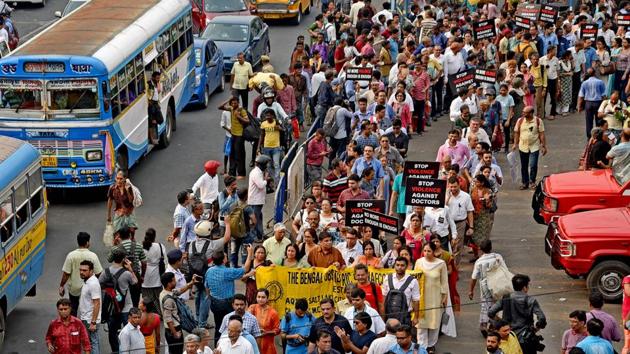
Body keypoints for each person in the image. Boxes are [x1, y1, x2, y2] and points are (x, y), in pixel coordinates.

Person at [189, 219, 232, 328]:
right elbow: (227, 238)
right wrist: (227, 224)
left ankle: (198, 320)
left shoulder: (191, 244)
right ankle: (202, 324)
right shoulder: (212, 245)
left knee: (198, 296)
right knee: (206, 298)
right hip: (206, 274)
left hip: (195, 274)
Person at [489, 274, 547, 354]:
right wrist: (535, 328)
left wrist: (500, 323)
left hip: (507, 339)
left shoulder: (506, 298)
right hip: (525, 340)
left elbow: (490, 312)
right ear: (524, 287)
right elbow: (542, 319)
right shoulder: (531, 300)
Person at [100, 247, 138, 353]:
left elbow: (100, 286)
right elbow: (135, 282)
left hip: (112, 308)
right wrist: (130, 269)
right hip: (126, 308)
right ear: (123, 259)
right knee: (128, 332)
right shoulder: (126, 274)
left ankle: (115, 351)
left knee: (112, 333)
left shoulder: (105, 272)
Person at [415, 242, 450, 352]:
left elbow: (444, 282)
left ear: (434, 252)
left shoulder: (441, 264)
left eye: (429, 251)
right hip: (421, 297)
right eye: (424, 251)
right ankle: (422, 346)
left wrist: (444, 297)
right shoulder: (419, 262)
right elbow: (414, 279)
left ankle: (431, 345)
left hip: (435, 298)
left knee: (434, 322)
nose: (426, 253)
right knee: (421, 323)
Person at [469, 240, 508, 336]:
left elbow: (474, 278)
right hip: (497, 285)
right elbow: (505, 270)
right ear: (491, 248)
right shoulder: (498, 257)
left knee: (485, 305)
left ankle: (484, 324)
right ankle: (492, 326)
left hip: (485, 287)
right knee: (497, 305)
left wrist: (471, 291)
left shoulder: (479, 262)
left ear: (480, 249)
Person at [59, 232, 103, 316]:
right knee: (88, 309)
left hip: (74, 289)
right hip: (89, 288)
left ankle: (73, 326)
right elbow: (98, 273)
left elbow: (66, 273)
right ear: (87, 243)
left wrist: (61, 285)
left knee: (73, 309)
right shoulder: (93, 256)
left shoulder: (71, 255)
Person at [160, 271, 198, 354]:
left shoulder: (165, 293)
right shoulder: (168, 299)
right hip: (173, 329)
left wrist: (191, 282)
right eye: (173, 280)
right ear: (169, 283)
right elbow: (168, 318)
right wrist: (175, 333)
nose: (175, 281)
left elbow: (180, 291)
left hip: (171, 329)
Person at [107, 226, 145, 307]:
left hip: (120, 276)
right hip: (135, 275)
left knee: (120, 299)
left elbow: (109, 260)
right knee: (135, 299)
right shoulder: (138, 246)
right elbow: (144, 262)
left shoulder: (116, 248)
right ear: (130, 235)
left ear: (119, 236)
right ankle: (134, 315)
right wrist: (142, 276)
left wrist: (114, 244)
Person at [512, 106, 547, 190]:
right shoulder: (520, 121)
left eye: (525, 112)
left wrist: (544, 146)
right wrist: (515, 144)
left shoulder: (538, 121)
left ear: (531, 113)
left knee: (533, 165)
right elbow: (516, 133)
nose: (523, 113)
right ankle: (525, 182)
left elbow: (541, 134)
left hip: (534, 146)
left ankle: (532, 181)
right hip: (523, 146)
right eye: (523, 112)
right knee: (524, 166)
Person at [382, 256, 420, 328]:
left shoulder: (413, 281)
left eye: (402, 265)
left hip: (405, 317)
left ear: (407, 267)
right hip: (389, 316)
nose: (399, 267)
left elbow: (416, 301)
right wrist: (383, 317)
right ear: (394, 266)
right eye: (397, 265)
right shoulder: (387, 278)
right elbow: (384, 300)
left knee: (404, 338)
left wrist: (416, 317)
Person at [220, 97, 250, 177]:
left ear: (238, 103)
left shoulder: (241, 110)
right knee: (232, 154)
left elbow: (247, 121)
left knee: (239, 154)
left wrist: (238, 116)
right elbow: (220, 107)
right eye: (232, 103)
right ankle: (231, 172)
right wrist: (228, 100)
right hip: (233, 135)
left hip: (239, 135)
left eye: (235, 103)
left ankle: (241, 173)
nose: (234, 104)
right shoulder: (231, 108)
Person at [78, 260, 100, 354]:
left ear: (91, 271)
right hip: (86, 318)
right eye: (80, 270)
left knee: (92, 343)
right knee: (88, 343)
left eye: (84, 270)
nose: (82, 272)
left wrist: (93, 322)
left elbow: (97, 303)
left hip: (90, 319)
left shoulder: (93, 283)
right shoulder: (87, 281)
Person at [578, 68, 607, 139]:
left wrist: (579, 106)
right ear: (594, 73)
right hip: (598, 103)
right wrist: (605, 106)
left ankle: (589, 137)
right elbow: (604, 95)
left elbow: (581, 96)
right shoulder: (600, 82)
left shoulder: (584, 83)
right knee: (599, 121)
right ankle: (598, 136)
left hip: (588, 103)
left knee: (589, 121)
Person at [249, 289, 281, 354]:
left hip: (267, 344)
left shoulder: (273, 313)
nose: (260, 299)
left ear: (267, 298)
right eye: (259, 297)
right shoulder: (252, 308)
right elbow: (246, 322)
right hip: (253, 342)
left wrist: (267, 332)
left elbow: (278, 330)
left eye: (263, 297)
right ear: (256, 297)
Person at [141, 228, 164, 316]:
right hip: (157, 274)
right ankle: (160, 314)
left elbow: (140, 262)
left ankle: (149, 314)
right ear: (154, 237)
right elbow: (164, 260)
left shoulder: (142, 247)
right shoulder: (160, 246)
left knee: (147, 298)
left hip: (145, 275)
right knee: (159, 297)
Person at [259, 108, 285, 184]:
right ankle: (275, 179)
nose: (268, 117)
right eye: (266, 115)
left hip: (276, 147)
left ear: (273, 116)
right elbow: (262, 135)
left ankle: (278, 182)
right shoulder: (263, 124)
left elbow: (284, 130)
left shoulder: (277, 122)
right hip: (266, 147)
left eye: (269, 115)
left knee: (276, 164)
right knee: (269, 166)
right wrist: (259, 147)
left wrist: (280, 128)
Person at [248, 155, 270, 240]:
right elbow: (261, 185)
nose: (267, 166)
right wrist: (266, 180)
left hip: (258, 199)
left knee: (259, 216)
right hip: (255, 200)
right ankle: (255, 237)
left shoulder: (259, 172)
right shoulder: (256, 173)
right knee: (255, 218)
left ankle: (260, 234)